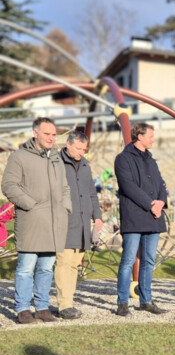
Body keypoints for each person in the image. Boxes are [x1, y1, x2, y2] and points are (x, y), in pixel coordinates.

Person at [1, 117, 71, 324]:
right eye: (47, 134)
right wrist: (30, 204)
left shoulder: (56, 158)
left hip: (53, 223)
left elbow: (65, 187)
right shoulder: (19, 157)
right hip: (31, 221)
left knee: (46, 268)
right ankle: (22, 309)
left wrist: (65, 206)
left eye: (54, 134)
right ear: (35, 133)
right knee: (25, 268)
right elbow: (9, 185)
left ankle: (41, 307)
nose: (51, 138)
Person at [114, 123, 168, 317]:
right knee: (128, 260)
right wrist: (151, 204)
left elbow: (161, 184)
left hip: (153, 218)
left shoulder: (151, 160)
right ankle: (122, 302)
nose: (153, 139)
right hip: (135, 216)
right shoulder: (123, 159)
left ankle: (146, 300)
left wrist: (161, 202)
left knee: (148, 261)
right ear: (140, 137)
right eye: (150, 136)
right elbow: (128, 187)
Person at [54, 129, 103, 319]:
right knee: (64, 263)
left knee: (74, 264)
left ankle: (68, 302)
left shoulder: (85, 165)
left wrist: (97, 216)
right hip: (65, 222)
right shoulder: (56, 163)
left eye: (84, 149)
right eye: (79, 149)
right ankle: (64, 305)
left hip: (83, 223)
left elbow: (91, 193)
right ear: (68, 144)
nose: (82, 152)